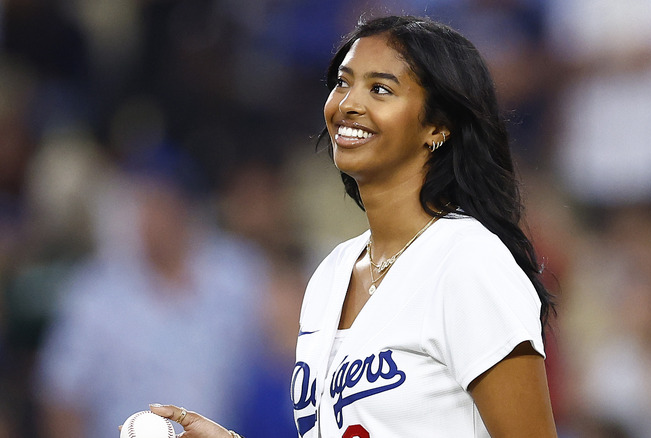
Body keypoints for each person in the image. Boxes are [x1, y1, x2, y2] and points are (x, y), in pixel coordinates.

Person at [149, 15, 557, 437]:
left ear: (437, 127)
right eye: (343, 83)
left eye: (380, 89)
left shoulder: (468, 261)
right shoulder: (331, 273)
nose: (348, 104)